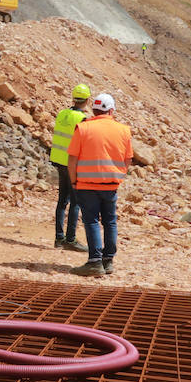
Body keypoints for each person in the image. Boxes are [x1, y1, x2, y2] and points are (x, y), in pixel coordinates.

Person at [67, 93, 132, 276]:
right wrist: (119, 177)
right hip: (111, 184)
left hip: (86, 184)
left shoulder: (83, 128)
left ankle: (95, 262)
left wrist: (73, 181)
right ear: (111, 110)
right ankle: (108, 261)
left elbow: (72, 159)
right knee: (110, 221)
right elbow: (128, 159)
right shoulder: (124, 130)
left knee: (91, 221)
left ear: (94, 110)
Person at [49, 83, 91, 252]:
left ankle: (59, 238)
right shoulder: (82, 120)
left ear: (73, 98)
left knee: (62, 200)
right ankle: (71, 239)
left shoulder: (62, 113)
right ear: (87, 100)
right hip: (73, 164)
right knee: (75, 202)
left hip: (58, 160)